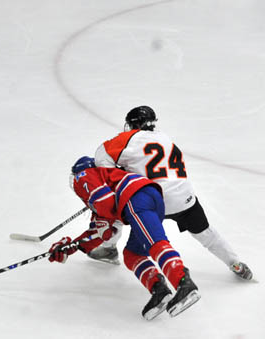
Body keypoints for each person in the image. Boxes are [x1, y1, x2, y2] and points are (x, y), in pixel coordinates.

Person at [88, 105, 253, 281]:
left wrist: (117, 174)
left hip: (152, 200)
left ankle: (108, 247)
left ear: (133, 124)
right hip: (184, 197)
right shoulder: (165, 138)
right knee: (206, 233)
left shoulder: (128, 139)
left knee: (112, 207)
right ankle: (235, 263)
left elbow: (100, 158)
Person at [49, 156, 201, 320]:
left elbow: (105, 204)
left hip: (136, 198)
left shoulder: (84, 175)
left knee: (155, 243)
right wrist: (73, 246)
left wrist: (103, 221)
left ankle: (183, 282)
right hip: (145, 198)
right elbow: (104, 232)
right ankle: (159, 289)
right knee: (132, 255)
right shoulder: (107, 182)